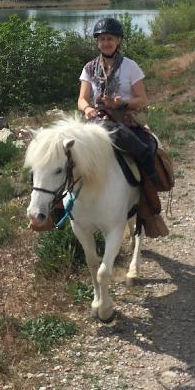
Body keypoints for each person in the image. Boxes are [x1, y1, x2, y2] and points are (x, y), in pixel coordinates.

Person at [78, 17, 167, 237]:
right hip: (97, 121)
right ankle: (60, 209)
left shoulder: (130, 66)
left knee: (144, 150)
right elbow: (82, 98)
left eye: (110, 38)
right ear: (97, 42)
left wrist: (122, 103)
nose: (106, 43)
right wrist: (87, 109)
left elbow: (142, 99)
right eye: (102, 39)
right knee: (66, 155)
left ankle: (149, 205)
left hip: (125, 120)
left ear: (118, 41)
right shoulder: (89, 68)